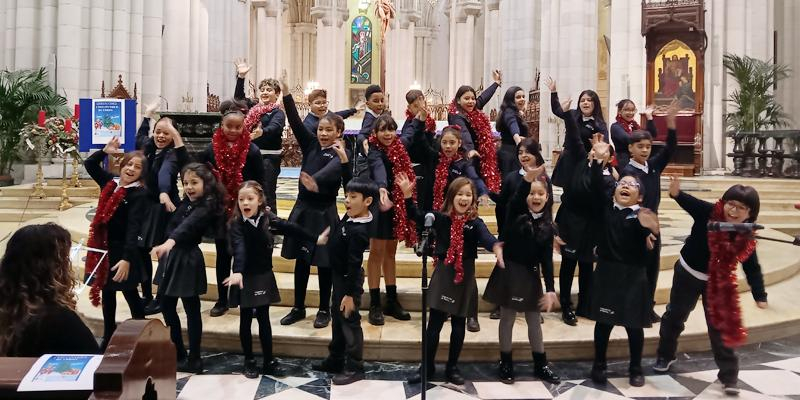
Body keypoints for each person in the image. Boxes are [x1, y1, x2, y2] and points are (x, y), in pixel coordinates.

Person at [654, 176, 768, 396]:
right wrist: (675, 193)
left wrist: (759, 294)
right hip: (688, 272)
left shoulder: (746, 235)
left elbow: (752, 267)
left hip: (718, 280)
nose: (733, 211)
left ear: (750, 214)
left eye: (741, 208)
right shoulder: (708, 212)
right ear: (723, 203)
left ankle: (729, 375)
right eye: (731, 204)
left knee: (720, 327)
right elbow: (687, 201)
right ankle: (665, 355)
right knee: (675, 315)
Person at [400, 175, 503, 385]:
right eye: (460, 194)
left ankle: (452, 367)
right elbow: (416, 215)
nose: (464, 198)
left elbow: (487, 237)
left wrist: (495, 247)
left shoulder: (475, 223)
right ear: (451, 196)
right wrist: (408, 196)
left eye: (468, 194)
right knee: (434, 324)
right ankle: (426, 367)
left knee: (458, 324)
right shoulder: (440, 218)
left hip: (465, 275)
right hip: (445, 272)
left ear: (473, 199)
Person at [225, 181, 328, 378]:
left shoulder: (267, 218)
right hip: (244, 276)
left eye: (250, 199)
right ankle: (249, 360)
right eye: (241, 199)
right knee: (246, 319)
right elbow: (239, 248)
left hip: (263, 274)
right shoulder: (236, 224)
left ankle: (269, 360)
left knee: (264, 318)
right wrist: (237, 271)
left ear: (260, 200)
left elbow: (289, 227)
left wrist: (315, 239)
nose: (245, 203)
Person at [587, 137, 660, 388]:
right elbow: (598, 183)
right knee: (603, 323)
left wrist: (651, 232)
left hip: (632, 275)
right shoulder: (607, 207)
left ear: (639, 197)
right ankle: (599, 364)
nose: (626, 186)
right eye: (622, 183)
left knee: (634, 325)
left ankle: (636, 366)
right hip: (607, 272)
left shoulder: (640, 216)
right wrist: (598, 160)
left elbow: (647, 237)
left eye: (632, 185)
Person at [278, 74, 348, 329]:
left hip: (324, 213)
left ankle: (323, 309)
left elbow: (333, 171)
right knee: (302, 261)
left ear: (338, 132)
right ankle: (298, 307)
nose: (324, 133)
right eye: (321, 129)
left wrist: (315, 181)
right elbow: (296, 121)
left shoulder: (341, 154)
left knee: (324, 264)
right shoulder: (310, 145)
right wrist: (286, 93)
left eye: (329, 130)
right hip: (303, 211)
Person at [482, 164, 560, 385]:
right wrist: (527, 180)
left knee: (534, 320)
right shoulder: (515, 212)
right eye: (532, 193)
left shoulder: (548, 226)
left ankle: (541, 363)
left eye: (540, 194)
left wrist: (551, 289)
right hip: (510, 270)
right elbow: (516, 199)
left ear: (547, 198)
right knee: (507, 318)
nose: (535, 197)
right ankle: (505, 361)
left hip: (530, 274)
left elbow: (546, 260)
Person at [151, 163, 225, 374]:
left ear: (206, 184)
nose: (189, 187)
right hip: (171, 257)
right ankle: (179, 352)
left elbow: (188, 226)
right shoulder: (186, 202)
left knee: (191, 309)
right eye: (185, 183)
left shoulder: (206, 206)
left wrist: (170, 242)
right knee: (166, 305)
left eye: (194, 182)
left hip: (186, 258)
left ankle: (195, 357)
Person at [196, 98, 266, 317]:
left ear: (244, 126)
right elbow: (201, 173)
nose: (233, 130)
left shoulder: (252, 150)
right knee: (223, 255)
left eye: (238, 127)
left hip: (245, 209)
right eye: (229, 126)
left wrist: (261, 206)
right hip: (220, 211)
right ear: (221, 126)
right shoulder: (210, 149)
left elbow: (260, 180)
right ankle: (222, 299)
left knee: (247, 255)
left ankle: (249, 298)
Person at [83, 138, 149, 350]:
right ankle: (108, 333)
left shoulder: (138, 194)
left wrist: (127, 259)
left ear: (142, 173)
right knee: (107, 292)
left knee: (130, 293)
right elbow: (90, 165)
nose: (131, 169)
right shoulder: (110, 183)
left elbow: (133, 228)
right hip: (104, 247)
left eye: (137, 167)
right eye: (129, 164)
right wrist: (105, 151)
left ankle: (144, 333)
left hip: (123, 250)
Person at [311, 178, 378, 386]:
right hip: (339, 277)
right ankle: (336, 358)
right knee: (337, 317)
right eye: (346, 196)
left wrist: (349, 295)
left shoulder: (359, 230)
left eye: (353, 197)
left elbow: (353, 264)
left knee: (349, 320)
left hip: (349, 281)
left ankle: (355, 366)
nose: (347, 201)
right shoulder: (351, 217)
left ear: (367, 201)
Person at [0, 223, 100, 357]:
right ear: (54, 269)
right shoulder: (60, 321)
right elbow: (94, 365)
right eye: (65, 260)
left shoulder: (7, 309)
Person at [621, 102, 679, 323]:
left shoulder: (653, 166)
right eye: (640, 146)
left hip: (653, 226)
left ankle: (648, 307)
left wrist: (671, 125)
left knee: (652, 269)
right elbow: (628, 205)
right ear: (631, 149)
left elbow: (670, 149)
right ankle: (632, 308)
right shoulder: (628, 172)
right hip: (636, 228)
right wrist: (641, 230)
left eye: (648, 146)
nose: (645, 150)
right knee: (636, 270)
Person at [135, 101, 190, 316]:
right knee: (141, 251)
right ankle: (147, 294)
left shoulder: (172, 154)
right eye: (158, 132)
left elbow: (165, 173)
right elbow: (139, 139)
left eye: (165, 133)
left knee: (164, 252)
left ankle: (161, 298)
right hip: (148, 206)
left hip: (166, 207)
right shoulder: (149, 147)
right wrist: (147, 116)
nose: (160, 136)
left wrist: (164, 192)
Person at [365, 114, 416, 325]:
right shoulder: (374, 151)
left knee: (391, 253)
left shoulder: (399, 147)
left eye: (391, 129)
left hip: (396, 204)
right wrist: (382, 187)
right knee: (376, 252)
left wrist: (419, 118)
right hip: (380, 202)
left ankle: (391, 299)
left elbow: (412, 133)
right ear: (375, 133)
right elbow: (378, 170)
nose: (387, 134)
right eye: (383, 130)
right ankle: (375, 303)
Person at [236, 60, 286, 215]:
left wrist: (261, 132)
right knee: (248, 189)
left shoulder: (278, 112)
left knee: (267, 192)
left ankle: (271, 225)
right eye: (262, 89)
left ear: (276, 94)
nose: (264, 92)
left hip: (269, 158)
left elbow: (275, 127)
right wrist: (241, 77)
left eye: (269, 90)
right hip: (250, 155)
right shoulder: (253, 109)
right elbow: (239, 98)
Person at [544, 77, 608, 188]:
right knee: (567, 189)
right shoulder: (573, 114)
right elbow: (557, 110)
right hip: (569, 158)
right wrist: (554, 92)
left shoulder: (599, 124)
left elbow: (604, 143)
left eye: (589, 100)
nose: (585, 103)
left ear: (595, 103)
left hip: (586, 160)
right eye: (582, 100)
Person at [448, 70, 503, 195]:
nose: (471, 101)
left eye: (473, 98)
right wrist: (470, 150)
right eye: (466, 98)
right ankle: (483, 195)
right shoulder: (456, 115)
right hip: (465, 156)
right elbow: (464, 133)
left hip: (477, 153)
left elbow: (483, 98)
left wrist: (496, 83)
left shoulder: (472, 109)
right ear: (458, 100)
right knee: (471, 183)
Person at [401, 89, 438, 212]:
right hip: (417, 169)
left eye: (422, 104)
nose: (420, 108)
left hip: (427, 168)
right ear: (409, 108)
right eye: (415, 106)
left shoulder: (429, 122)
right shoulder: (411, 124)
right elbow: (417, 146)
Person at [609, 99, 656, 171]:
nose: (630, 113)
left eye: (633, 110)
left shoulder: (635, 126)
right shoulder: (615, 127)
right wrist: (644, 137)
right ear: (619, 111)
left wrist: (649, 117)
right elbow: (629, 139)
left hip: (638, 161)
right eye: (627, 110)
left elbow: (651, 135)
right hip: (624, 163)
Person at [495, 86, 529, 177]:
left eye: (523, 96)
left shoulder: (511, 111)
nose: (522, 99)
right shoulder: (509, 112)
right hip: (510, 155)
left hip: (509, 152)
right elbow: (512, 124)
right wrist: (518, 139)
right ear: (510, 100)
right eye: (518, 97)